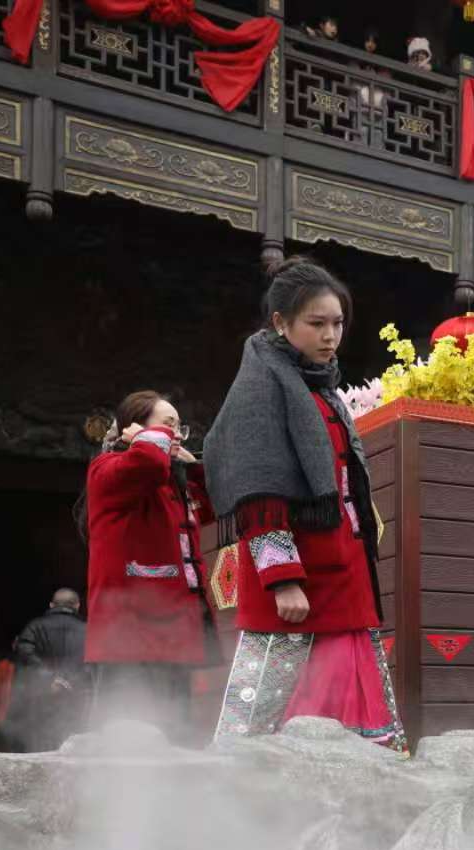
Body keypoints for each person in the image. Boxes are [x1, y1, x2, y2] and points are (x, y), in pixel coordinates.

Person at [205, 257, 404, 751]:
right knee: (271, 724)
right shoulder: (260, 387)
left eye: (337, 323)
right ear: (281, 322)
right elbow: (259, 488)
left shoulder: (319, 387)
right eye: (316, 324)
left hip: (342, 574)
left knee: (349, 716)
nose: (330, 336)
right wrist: (282, 578)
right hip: (298, 584)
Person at [81, 390, 217, 740]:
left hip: (172, 630)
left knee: (176, 734)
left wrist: (193, 471)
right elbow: (148, 464)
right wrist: (148, 439)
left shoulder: (168, 482)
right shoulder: (110, 468)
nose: (177, 434)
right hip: (129, 631)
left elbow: (210, 511)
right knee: (124, 736)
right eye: (168, 425)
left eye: (180, 427)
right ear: (136, 428)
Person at [7, 589, 89, 752]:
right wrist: (72, 681)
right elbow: (94, 664)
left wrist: (49, 679)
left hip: (42, 697)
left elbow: (25, 653)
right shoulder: (88, 630)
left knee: (40, 746)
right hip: (76, 697)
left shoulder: (34, 627)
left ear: (51, 605)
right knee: (75, 746)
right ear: (78, 606)